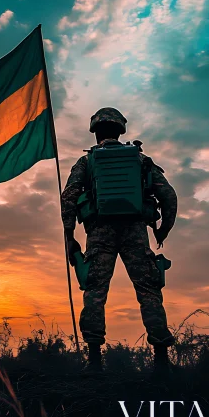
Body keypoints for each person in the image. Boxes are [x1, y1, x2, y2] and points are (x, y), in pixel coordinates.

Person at [61, 107, 177, 375]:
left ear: (95, 132)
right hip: (135, 232)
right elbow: (168, 196)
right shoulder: (140, 159)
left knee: (95, 292)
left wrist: (70, 239)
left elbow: (68, 199)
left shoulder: (86, 163)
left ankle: (93, 361)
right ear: (121, 130)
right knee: (148, 292)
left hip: (99, 232)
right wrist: (162, 230)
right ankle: (161, 361)